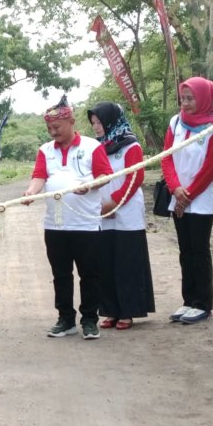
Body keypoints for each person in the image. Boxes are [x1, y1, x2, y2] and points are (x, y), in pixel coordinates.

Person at [22, 96, 113, 340]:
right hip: (55, 225)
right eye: (49, 129)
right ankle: (65, 319)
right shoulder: (45, 150)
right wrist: (31, 192)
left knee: (89, 274)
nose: (53, 132)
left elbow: (106, 175)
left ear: (71, 121)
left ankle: (90, 320)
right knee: (60, 274)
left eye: (57, 127)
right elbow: (39, 176)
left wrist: (90, 185)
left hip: (86, 224)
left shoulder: (92, 147)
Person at [162, 77, 213, 325]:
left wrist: (189, 194)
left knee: (198, 248)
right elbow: (166, 158)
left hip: (202, 197)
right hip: (178, 194)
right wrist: (175, 189)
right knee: (185, 250)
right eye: (182, 98)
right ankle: (188, 300)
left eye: (190, 98)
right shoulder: (175, 122)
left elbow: (212, 166)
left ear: (203, 98)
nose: (185, 102)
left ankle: (203, 304)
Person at [87, 102, 155, 330]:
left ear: (111, 121)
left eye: (100, 122)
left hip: (126, 210)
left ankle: (128, 310)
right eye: (94, 123)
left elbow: (135, 178)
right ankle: (110, 309)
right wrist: (99, 205)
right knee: (106, 262)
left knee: (127, 262)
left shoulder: (130, 145)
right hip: (102, 211)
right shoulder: (96, 148)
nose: (96, 127)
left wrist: (113, 203)